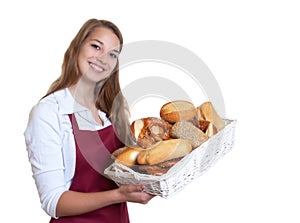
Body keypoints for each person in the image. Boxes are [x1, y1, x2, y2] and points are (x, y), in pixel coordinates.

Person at [24, 18, 154, 223]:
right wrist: (118, 196)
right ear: (77, 48)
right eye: (96, 46)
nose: (103, 58)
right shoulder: (50, 112)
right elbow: (53, 201)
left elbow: (128, 172)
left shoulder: (110, 113)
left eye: (112, 54)